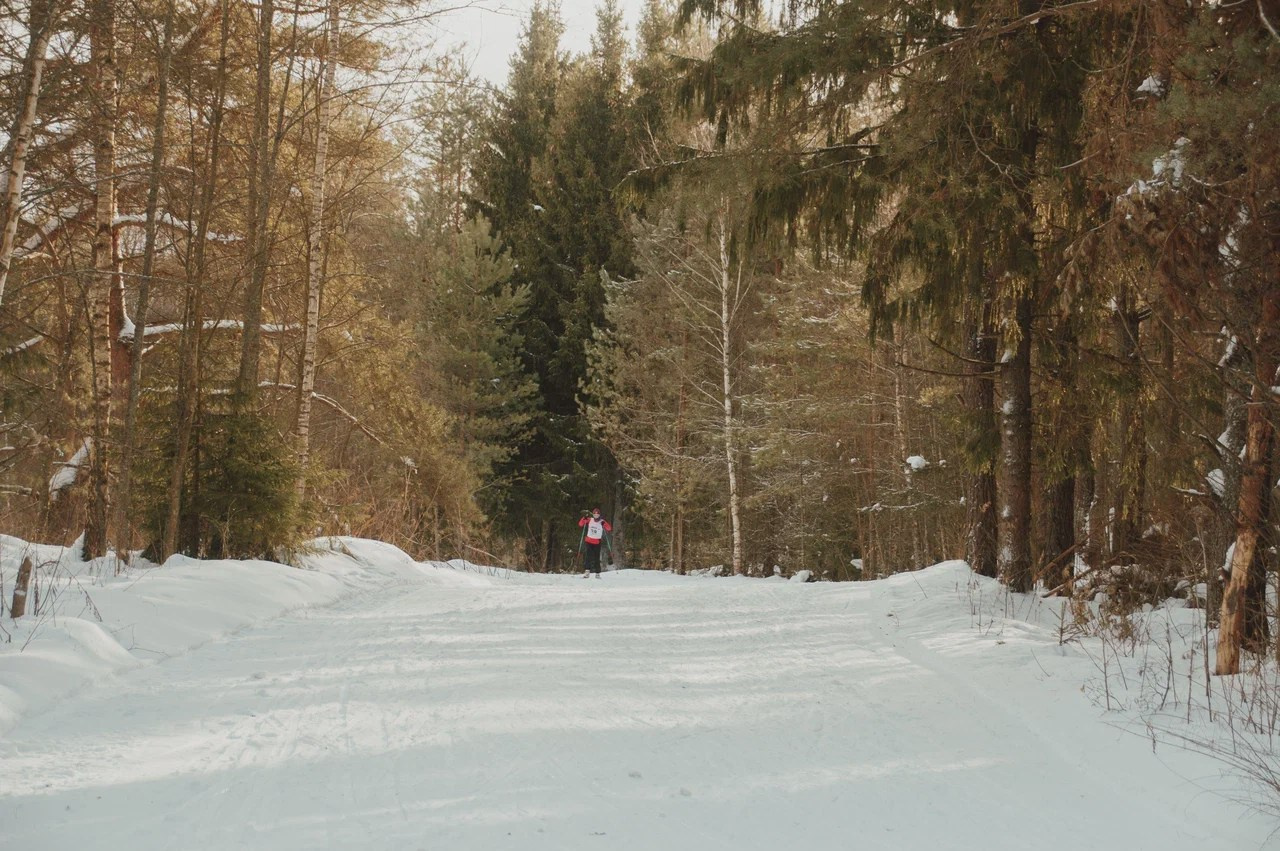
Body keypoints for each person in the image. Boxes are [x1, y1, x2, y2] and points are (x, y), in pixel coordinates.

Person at [577, 508, 611, 578]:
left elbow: (609, 528)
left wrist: (604, 524)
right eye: (594, 514)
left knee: (596, 558)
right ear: (593, 514)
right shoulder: (590, 519)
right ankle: (587, 572)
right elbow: (580, 524)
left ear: (599, 515)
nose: (596, 516)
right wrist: (584, 518)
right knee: (588, 557)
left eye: (597, 514)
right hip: (589, 541)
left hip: (597, 542)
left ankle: (597, 573)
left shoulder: (602, 521)